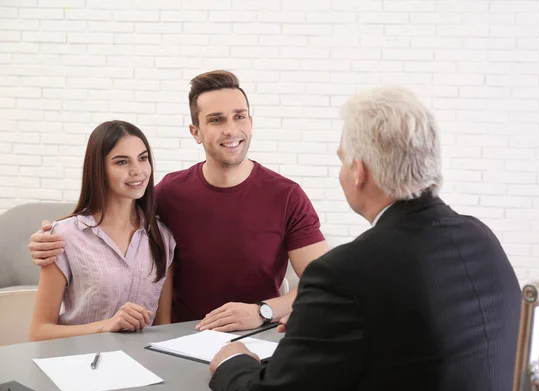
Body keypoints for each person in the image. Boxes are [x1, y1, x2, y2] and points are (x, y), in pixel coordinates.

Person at [208, 85, 522, 391]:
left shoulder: (344, 273)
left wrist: (232, 361)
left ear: (359, 172)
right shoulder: (481, 238)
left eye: (343, 160)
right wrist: (318, 330)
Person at [28, 70, 328, 332]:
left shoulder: (287, 196)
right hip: (181, 341)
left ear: (251, 121)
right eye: (216, 119)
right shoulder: (170, 193)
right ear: (195, 132)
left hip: (257, 336)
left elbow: (324, 283)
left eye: (239, 116)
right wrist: (48, 237)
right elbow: (113, 215)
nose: (231, 129)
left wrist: (262, 311)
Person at [29, 120, 176, 341]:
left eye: (143, 158)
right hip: (78, 366)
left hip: (143, 368)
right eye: (122, 162)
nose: (137, 171)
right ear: (99, 169)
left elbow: (163, 329)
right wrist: (107, 326)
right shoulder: (63, 237)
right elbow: (39, 333)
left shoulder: (162, 238)